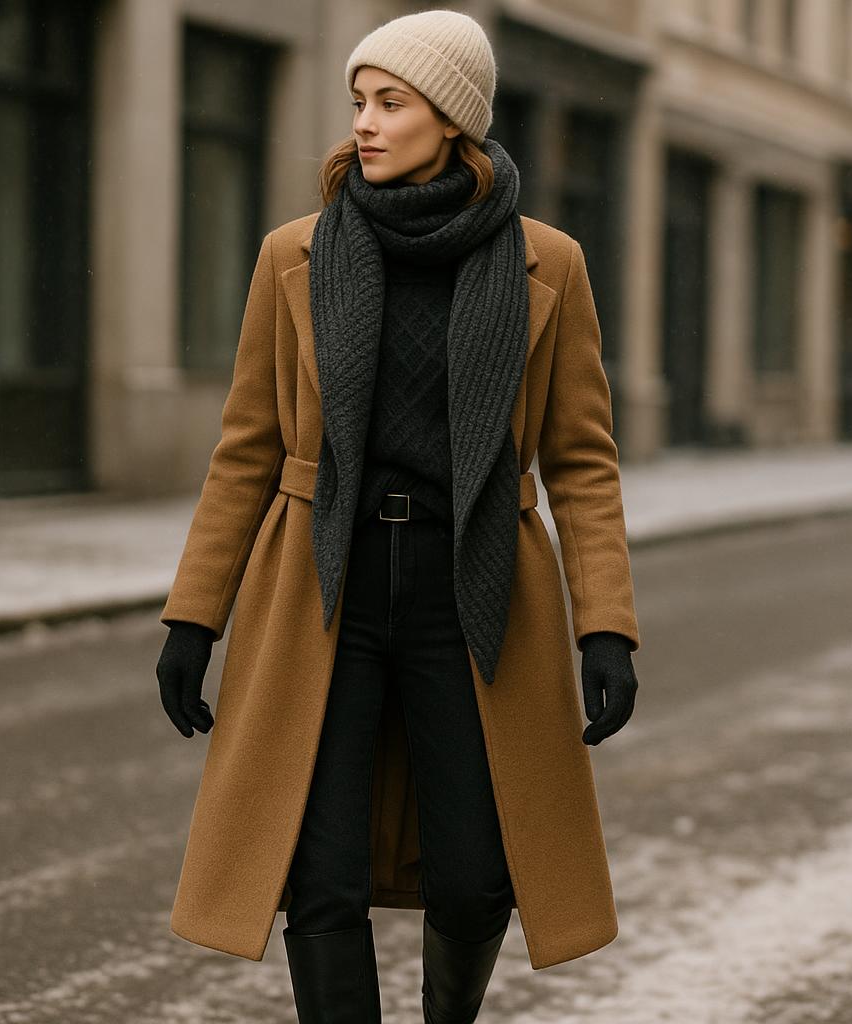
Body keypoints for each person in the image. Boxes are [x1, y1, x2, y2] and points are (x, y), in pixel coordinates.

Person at [156, 9, 641, 1022]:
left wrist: (606, 626)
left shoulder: (548, 262)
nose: (364, 126)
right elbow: (246, 448)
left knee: (473, 870)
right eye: (359, 104)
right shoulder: (296, 253)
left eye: (391, 103)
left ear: (452, 121)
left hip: (473, 589)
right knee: (319, 869)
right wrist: (194, 614)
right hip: (320, 586)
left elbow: (584, 462)